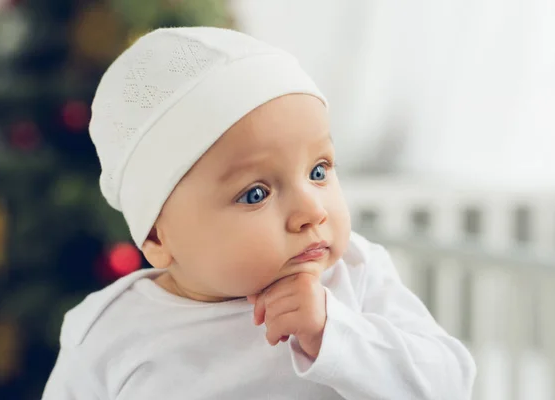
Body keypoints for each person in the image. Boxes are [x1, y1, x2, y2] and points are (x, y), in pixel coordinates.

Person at [42, 27, 476, 399]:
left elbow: (450, 384)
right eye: (255, 194)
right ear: (158, 237)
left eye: (319, 170)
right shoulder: (110, 333)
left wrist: (335, 333)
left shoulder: (355, 277)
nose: (311, 210)